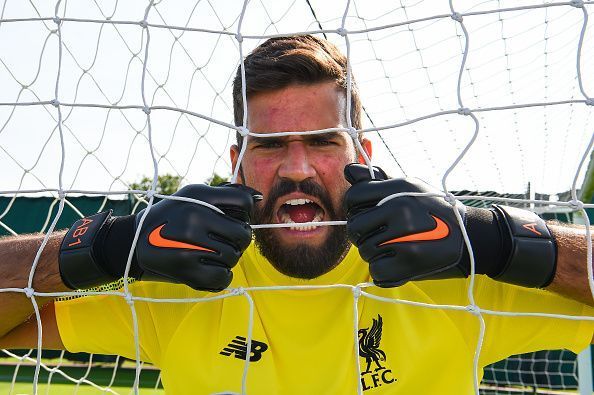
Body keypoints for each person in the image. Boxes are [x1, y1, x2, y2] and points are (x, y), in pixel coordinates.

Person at [0, 35, 593, 394]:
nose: (298, 169)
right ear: (238, 162)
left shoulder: (459, 282)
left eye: (323, 142)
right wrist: (104, 246)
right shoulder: (175, 288)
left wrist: (499, 240)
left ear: (362, 155)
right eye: (269, 145)